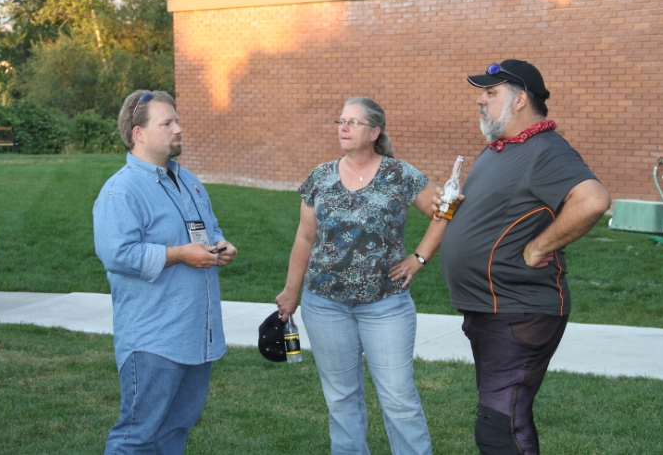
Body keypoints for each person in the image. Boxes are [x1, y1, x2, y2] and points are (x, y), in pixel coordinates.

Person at [436, 60, 611, 455]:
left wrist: (538, 247)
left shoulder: (545, 150)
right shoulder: (500, 150)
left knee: (501, 425)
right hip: (492, 308)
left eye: (490, 93)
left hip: (518, 310)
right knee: (501, 418)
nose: (480, 100)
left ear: (520, 101)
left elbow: (593, 200)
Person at [275, 96, 446, 455]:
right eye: (341, 121)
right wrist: (291, 291)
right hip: (324, 305)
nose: (344, 128)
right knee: (341, 400)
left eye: (353, 122)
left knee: (399, 398)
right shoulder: (320, 177)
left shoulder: (400, 175)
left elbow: (445, 210)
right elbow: (305, 237)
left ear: (375, 131)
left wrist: (419, 258)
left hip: (385, 305)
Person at [93, 90, 237, 455]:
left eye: (177, 120)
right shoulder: (121, 192)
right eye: (167, 123)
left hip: (196, 334)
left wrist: (220, 247)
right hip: (153, 339)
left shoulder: (187, 180)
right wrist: (180, 255)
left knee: (175, 431)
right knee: (136, 437)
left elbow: (208, 230)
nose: (179, 128)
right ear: (139, 133)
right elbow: (118, 254)